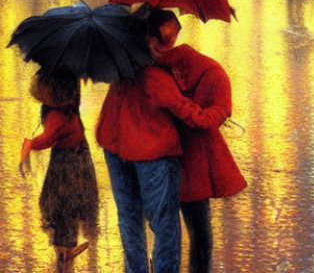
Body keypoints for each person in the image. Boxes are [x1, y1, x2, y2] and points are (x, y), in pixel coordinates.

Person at [96, 16, 229, 273]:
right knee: (164, 225)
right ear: (150, 39)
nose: (170, 44)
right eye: (166, 38)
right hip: (153, 153)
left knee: (129, 220)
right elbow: (192, 115)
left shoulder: (121, 70)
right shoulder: (156, 77)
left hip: (116, 152)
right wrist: (220, 112)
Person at [149, 10, 247, 273]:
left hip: (180, 160)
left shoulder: (161, 66)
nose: (161, 49)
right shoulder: (159, 68)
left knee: (179, 229)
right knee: (193, 230)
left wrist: (192, 114)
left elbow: (213, 113)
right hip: (173, 158)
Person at [20, 69, 98, 273]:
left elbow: (49, 138)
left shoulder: (58, 112)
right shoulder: (65, 109)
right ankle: (65, 251)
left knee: (63, 206)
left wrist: (30, 144)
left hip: (66, 162)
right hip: (73, 160)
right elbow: (51, 136)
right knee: (67, 207)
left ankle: (64, 251)